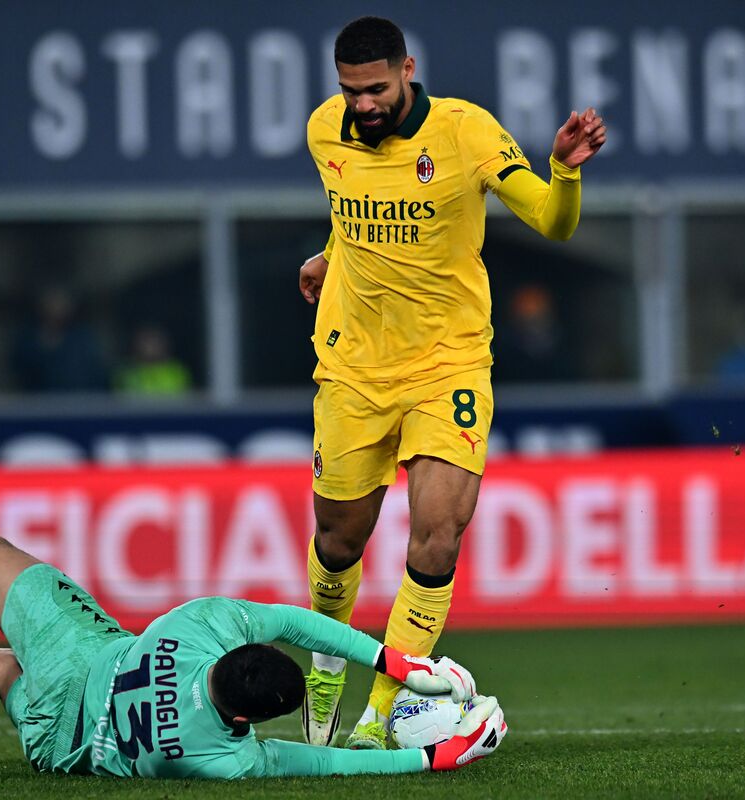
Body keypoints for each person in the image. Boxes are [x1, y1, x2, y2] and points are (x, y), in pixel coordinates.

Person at [297, 16, 605, 749]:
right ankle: (323, 675)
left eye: (374, 89)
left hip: (449, 364)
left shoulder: (466, 134)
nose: (361, 105)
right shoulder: (324, 131)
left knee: (437, 535)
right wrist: (328, 254)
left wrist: (562, 169)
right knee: (339, 542)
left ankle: (381, 715)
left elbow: (552, 223)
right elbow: (357, 214)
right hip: (352, 367)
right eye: (349, 91)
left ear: (408, 70)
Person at [0, 517, 505, 779]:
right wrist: (427, 762)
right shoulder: (223, 761)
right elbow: (331, 766)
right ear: (250, 720)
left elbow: (297, 625)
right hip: (63, 741)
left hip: (86, 656)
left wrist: (392, 661)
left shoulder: (198, 623)